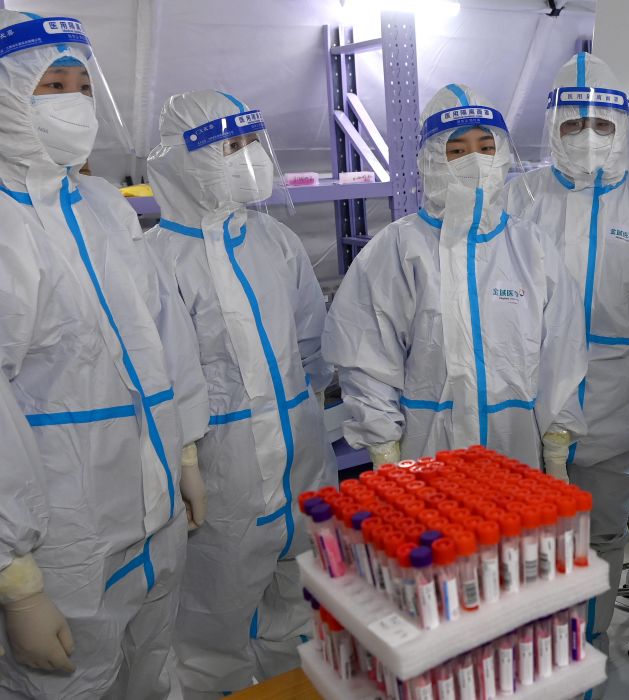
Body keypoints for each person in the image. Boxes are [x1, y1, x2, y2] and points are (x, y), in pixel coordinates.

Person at [0, 10, 208, 699]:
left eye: (80, 85)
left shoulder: (103, 207)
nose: (72, 102)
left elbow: (163, 333)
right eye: (49, 86)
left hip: (152, 513)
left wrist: (184, 452)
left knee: (153, 669)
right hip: (62, 542)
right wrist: (14, 577)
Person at [143, 90, 336, 697]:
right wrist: (188, 460)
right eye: (227, 147)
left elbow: (310, 346)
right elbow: (160, 381)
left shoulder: (274, 240)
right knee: (210, 634)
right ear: (183, 160)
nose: (246, 157)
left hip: (301, 461)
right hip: (219, 481)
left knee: (305, 611)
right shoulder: (154, 260)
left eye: (251, 141)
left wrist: (310, 411)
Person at [505, 52, 629, 673]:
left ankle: (590, 652)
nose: (587, 137)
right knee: (526, 540)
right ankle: (529, 660)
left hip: (620, 401)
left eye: (602, 124)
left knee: (604, 535)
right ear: (551, 127)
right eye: (573, 123)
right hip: (527, 401)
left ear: (625, 128)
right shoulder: (517, 196)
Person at [324, 84, 587, 473]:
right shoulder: (399, 248)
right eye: (457, 151)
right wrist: (383, 452)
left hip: (514, 443)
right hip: (429, 445)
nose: (475, 161)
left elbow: (561, 354)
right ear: (432, 161)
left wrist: (557, 448)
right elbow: (366, 357)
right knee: (436, 535)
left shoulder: (532, 247)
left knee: (510, 533)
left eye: (486, 147)